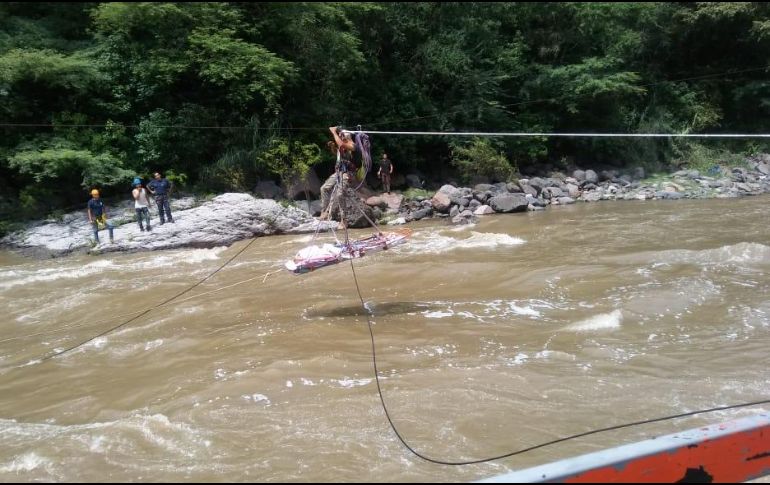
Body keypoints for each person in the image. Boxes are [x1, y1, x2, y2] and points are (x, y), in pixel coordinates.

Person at [319, 126, 357, 219]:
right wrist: (332, 147)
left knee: (340, 194)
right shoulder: (342, 147)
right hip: (338, 172)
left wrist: (334, 132)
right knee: (324, 188)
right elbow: (338, 154)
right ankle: (324, 212)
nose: (341, 138)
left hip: (347, 173)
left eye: (342, 136)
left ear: (346, 137)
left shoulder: (352, 145)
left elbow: (342, 144)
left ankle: (344, 220)